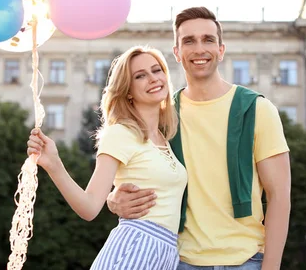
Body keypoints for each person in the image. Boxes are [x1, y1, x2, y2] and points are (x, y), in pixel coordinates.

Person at [106, 7, 291, 269]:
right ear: (177, 53)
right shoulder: (163, 116)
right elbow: (135, 170)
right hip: (179, 261)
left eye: (208, 40)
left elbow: (280, 196)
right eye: (189, 41)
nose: (199, 49)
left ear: (221, 50)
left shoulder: (257, 110)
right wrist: (113, 200)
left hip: (245, 261)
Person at [26, 46, 188, 270]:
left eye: (156, 70)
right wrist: (54, 164)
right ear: (128, 90)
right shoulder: (121, 133)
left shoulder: (164, 139)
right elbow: (90, 206)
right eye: (140, 76)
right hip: (135, 248)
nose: (153, 79)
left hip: (167, 254)